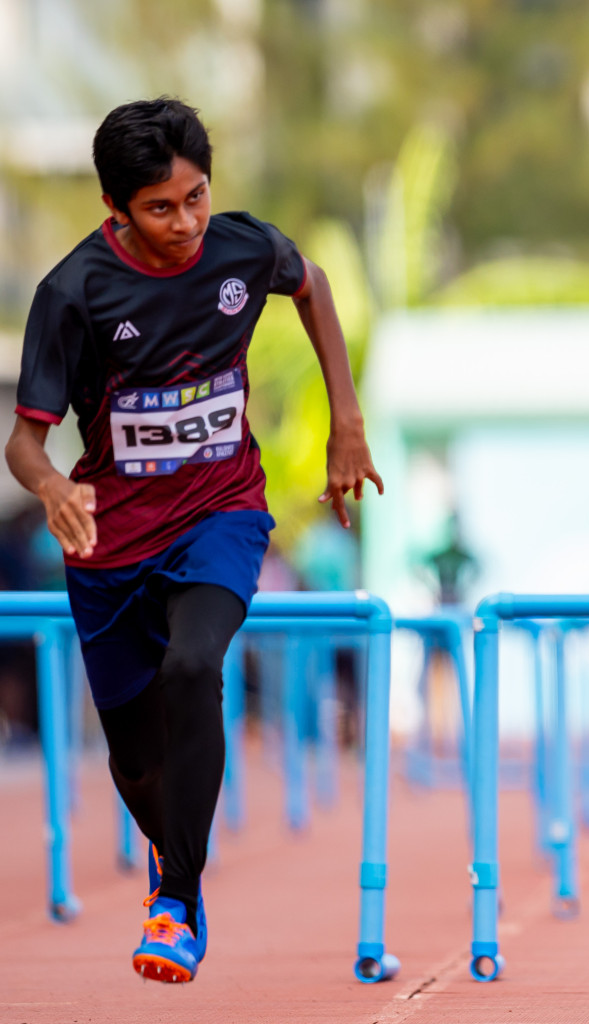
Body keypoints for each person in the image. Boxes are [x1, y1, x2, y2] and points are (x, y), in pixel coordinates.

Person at [4, 97, 382, 983]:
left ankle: (173, 898)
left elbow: (312, 281)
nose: (186, 223)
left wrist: (346, 420)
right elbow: (24, 439)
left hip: (221, 514)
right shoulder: (74, 292)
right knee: (137, 763)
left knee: (194, 666)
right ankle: (179, 876)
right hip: (109, 548)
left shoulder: (244, 249)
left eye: (197, 197)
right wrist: (55, 484)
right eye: (161, 208)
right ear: (119, 212)